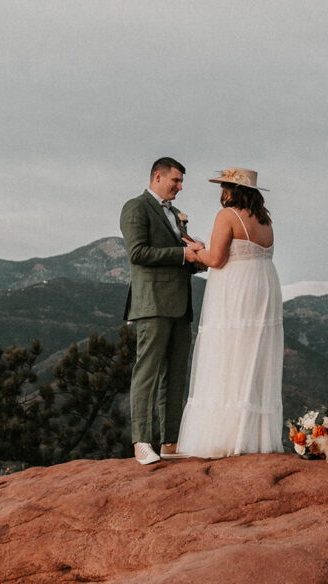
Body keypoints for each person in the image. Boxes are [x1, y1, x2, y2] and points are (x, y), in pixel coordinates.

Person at [176, 167, 283, 457]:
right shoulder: (266, 221)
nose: (222, 192)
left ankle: (224, 436)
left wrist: (194, 249)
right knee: (252, 356)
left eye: (224, 186)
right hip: (263, 287)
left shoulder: (227, 216)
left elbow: (216, 259)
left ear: (231, 190)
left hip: (236, 290)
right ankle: (252, 436)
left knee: (227, 355)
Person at [121, 157, 202, 465]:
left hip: (181, 304)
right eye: (176, 181)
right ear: (158, 176)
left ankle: (170, 441)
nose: (180, 187)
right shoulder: (136, 207)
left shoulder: (175, 216)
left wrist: (197, 258)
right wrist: (184, 253)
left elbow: (177, 257)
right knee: (148, 373)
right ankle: (142, 441)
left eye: (181, 182)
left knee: (176, 374)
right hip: (152, 303)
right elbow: (138, 253)